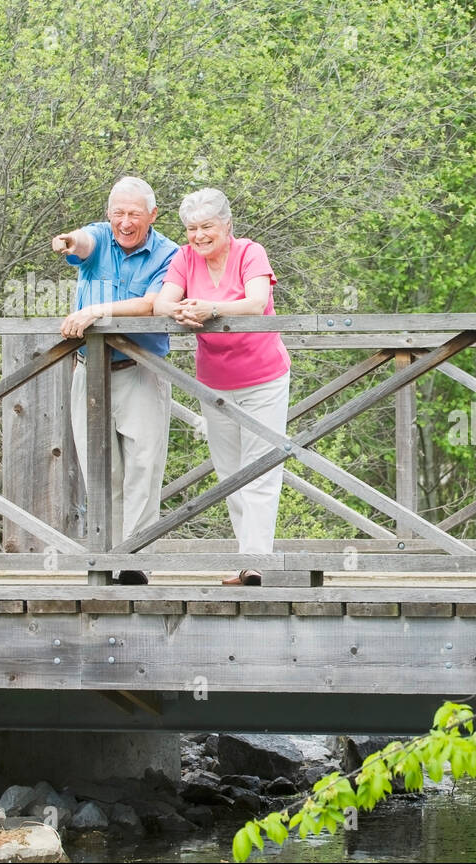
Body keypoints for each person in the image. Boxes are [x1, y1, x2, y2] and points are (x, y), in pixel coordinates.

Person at [153, 188, 290, 585]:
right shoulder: (184, 258)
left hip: (264, 377)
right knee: (230, 473)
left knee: (260, 469)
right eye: (192, 228)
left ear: (226, 225)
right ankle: (246, 559)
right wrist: (179, 309)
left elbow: (256, 301)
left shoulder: (250, 252)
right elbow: (162, 302)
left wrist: (211, 308)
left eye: (206, 226)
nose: (198, 235)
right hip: (214, 382)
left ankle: (255, 564)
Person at [53, 176, 179, 584]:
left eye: (134, 215)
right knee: (100, 470)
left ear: (152, 216)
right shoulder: (98, 238)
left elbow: (152, 304)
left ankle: (134, 561)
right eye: (118, 213)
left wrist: (96, 312)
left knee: (144, 467)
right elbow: (82, 242)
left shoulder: (169, 254)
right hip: (90, 373)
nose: (125, 222)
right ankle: (105, 557)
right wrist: (68, 240)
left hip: (142, 369)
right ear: (108, 215)